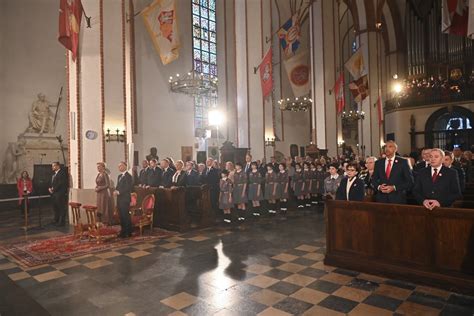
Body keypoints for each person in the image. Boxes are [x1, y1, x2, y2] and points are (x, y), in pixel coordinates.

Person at [114, 162, 133, 238]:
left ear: (125, 166)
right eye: (118, 166)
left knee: (125, 215)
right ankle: (123, 231)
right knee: (121, 215)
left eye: (121, 166)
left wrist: (119, 192)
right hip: (119, 199)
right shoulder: (119, 176)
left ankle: (128, 232)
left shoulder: (129, 176)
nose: (119, 168)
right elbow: (118, 186)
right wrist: (116, 190)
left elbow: (128, 187)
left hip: (125, 198)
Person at [49, 162, 68, 226]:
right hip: (54, 194)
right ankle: (56, 220)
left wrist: (53, 189)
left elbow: (60, 183)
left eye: (54, 166)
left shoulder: (62, 173)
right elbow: (52, 183)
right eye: (52, 166)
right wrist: (50, 188)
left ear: (58, 166)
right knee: (55, 208)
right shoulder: (54, 174)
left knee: (61, 208)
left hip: (60, 194)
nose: (53, 167)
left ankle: (62, 222)